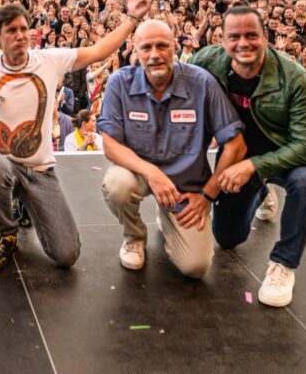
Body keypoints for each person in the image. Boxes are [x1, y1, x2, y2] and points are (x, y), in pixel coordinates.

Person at [0, 0, 147, 275]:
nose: (20, 35)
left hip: (40, 171)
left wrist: (132, 19)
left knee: (67, 254)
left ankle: (24, 203)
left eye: (24, 29)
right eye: (12, 30)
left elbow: (98, 51)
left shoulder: (49, 60)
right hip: (3, 163)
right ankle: (6, 233)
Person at [192, 5, 306, 308]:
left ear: (265, 36)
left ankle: (284, 264)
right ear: (222, 40)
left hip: (286, 152)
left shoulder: (295, 78)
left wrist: (253, 166)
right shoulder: (205, 63)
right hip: (237, 154)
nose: (243, 43)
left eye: (251, 35)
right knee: (227, 239)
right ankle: (262, 190)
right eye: (234, 36)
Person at [96, 19, 246, 278]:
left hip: (186, 186)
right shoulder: (120, 83)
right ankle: (134, 236)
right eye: (146, 48)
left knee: (195, 268)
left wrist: (207, 196)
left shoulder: (202, 83)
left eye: (162, 46)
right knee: (117, 185)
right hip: (140, 173)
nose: (154, 55)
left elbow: (236, 146)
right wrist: (153, 174)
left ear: (175, 46)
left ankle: (167, 214)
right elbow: (110, 145)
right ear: (135, 51)